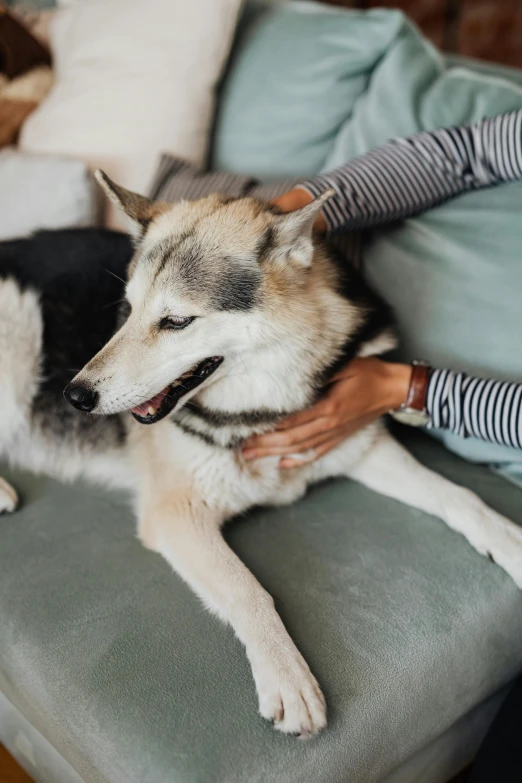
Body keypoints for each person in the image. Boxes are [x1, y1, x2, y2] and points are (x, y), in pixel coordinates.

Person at [242, 111, 522, 467]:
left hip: (371, 365)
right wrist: (276, 221)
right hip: (315, 244)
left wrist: (400, 389)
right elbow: (469, 153)